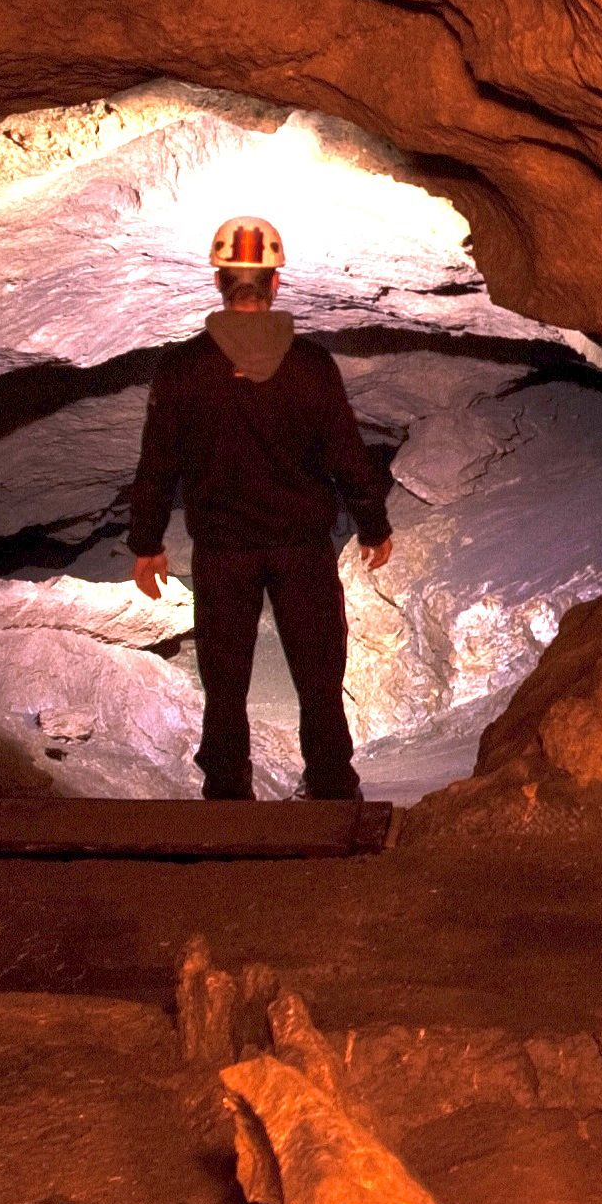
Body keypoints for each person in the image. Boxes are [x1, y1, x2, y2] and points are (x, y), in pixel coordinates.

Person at [125, 213, 399, 804]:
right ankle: (331, 783)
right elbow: (347, 456)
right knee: (318, 676)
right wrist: (373, 524)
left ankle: (227, 789)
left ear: (219, 282)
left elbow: (158, 465)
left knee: (224, 682)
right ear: (275, 282)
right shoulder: (311, 365)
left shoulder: (182, 368)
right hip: (301, 547)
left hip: (223, 550)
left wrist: (146, 543)